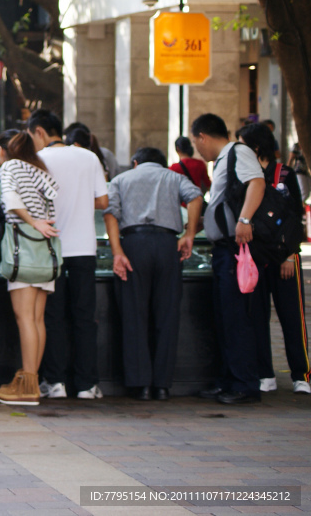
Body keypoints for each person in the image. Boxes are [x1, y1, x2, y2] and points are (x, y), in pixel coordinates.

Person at [104, 147, 203, 401]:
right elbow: (195, 197)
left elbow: (110, 213)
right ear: (163, 164)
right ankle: (162, 385)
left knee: (133, 315)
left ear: (135, 163)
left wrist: (117, 251)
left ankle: (140, 386)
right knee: (167, 314)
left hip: (134, 245)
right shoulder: (174, 177)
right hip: (167, 245)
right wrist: (189, 234)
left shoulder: (120, 180)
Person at [28, 109, 108, 399]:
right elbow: (103, 200)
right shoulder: (88, 157)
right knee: (85, 317)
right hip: (84, 248)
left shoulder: (37, 161)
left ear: (38, 132)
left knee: (53, 317)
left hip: (51, 249)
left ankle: (56, 382)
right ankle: (87, 385)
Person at [192, 113, 266, 404]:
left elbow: (257, 183)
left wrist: (245, 219)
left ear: (203, 137)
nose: (200, 151)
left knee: (236, 318)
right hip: (224, 250)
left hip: (236, 249)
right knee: (224, 318)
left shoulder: (238, 152)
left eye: (199, 146)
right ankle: (227, 380)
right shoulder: (223, 160)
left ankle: (244, 384)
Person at [237, 123, 310, 395]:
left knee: (293, 317)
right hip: (255, 257)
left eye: (242, 144)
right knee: (256, 316)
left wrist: (291, 254)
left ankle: (301, 374)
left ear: (256, 146)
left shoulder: (285, 174)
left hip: (283, 257)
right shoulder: (244, 174)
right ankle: (264, 373)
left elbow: (295, 216)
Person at [0, 131, 59, 405]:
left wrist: (32, 223)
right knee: (37, 319)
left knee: (24, 319)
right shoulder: (39, 168)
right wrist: (42, 222)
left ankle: (28, 385)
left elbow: (10, 199)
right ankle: (30, 378)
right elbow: (55, 198)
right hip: (46, 249)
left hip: (24, 247)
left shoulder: (10, 166)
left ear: (6, 151)